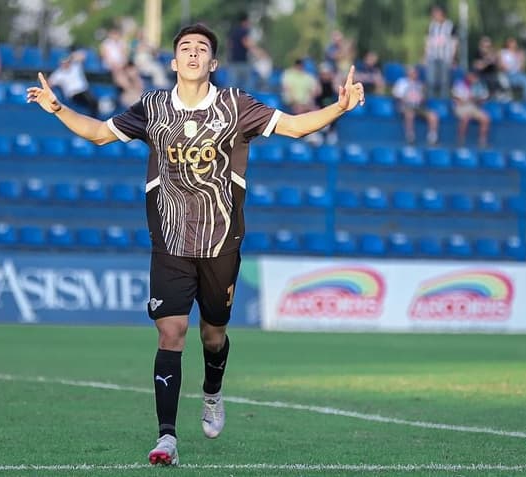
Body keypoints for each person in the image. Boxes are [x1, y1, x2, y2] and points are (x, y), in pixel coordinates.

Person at [27, 22, 364, 466]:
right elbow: (99, 133)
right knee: (172, 332)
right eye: (184, 47)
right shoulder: (152, 107)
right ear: (172, 61)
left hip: (221, 239)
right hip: (169, 238)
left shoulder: (235, 104)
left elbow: (297, 127)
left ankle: (212, 392)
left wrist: (337, 108)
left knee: (213, 334)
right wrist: (57, 109)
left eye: (201, 48)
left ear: (212, 62)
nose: (192, 53)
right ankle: (167, 437)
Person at [393, 66, 439, 145]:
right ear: (408, 74)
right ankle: (410, 137)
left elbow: (423, 99)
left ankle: (432, 138)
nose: (415, 74)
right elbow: (397, 96)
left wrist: (422, 95)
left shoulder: (419, 84)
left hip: (418, 106)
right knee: (410, 114)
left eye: (416, 73)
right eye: (413, 73)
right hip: (406, 105)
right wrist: (407, 100)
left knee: (433, 115)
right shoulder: (401, 82)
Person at [48, 50, 99, 116]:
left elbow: (83, 55)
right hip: (73, 94)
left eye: (66, 61)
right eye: (63, 62)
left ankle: (92, 118)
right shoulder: (58, 73)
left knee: (92, 101)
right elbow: (49, 83)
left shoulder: (76, 66)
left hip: (84, 91)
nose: (65, 64)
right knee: (90, 101)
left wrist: (71, 57)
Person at [424, 5, 456, 98]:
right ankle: (431, 101)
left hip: (445, 57)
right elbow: (427, 42)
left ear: (441, 14)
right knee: (431, 81)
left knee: (444, 82)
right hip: (432, 57)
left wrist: (453, 57)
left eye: (436, 13)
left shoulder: (450, 25)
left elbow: (454, 43)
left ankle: (443, 102)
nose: (434, 16)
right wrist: (425, 56)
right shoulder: (431, 26)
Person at [451, 71, 490, 147]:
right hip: (461, 107)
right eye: (471, 76)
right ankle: (461, 140)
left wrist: (478, 100)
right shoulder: (459, 84)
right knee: (466, 118)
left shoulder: (478, 85)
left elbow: (483, 98)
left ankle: (482, 141)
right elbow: (458, 101)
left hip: (473, 107)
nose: (473, 78)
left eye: (474, 76)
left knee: (485, 118)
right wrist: (469, 99)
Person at [498, 37, 526, 103]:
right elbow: (501, 66)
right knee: (525, 81)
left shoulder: (518, 53)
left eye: (514, 43)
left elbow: (522, 68)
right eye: (511, 43)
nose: (513, 45)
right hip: (509, 74)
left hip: (518, 74)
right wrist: (510, 67)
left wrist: (521, 59)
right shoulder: (503, 53)